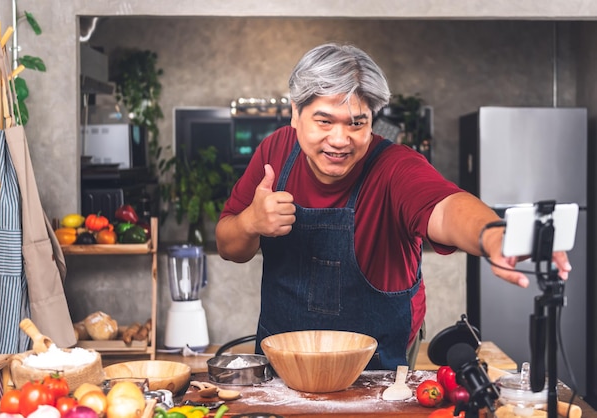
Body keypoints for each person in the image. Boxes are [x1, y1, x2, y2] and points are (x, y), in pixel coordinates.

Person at [215, 43, 572, 370]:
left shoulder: (395, 167)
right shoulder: (274, 154)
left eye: (358, 123)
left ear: (373, 118)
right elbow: (228, 246)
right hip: (283, 364)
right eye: (324, 121)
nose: (340, 140)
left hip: (378, 367)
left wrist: (494, 235)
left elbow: (447, 209)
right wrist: (250, 222)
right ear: (295, 113)